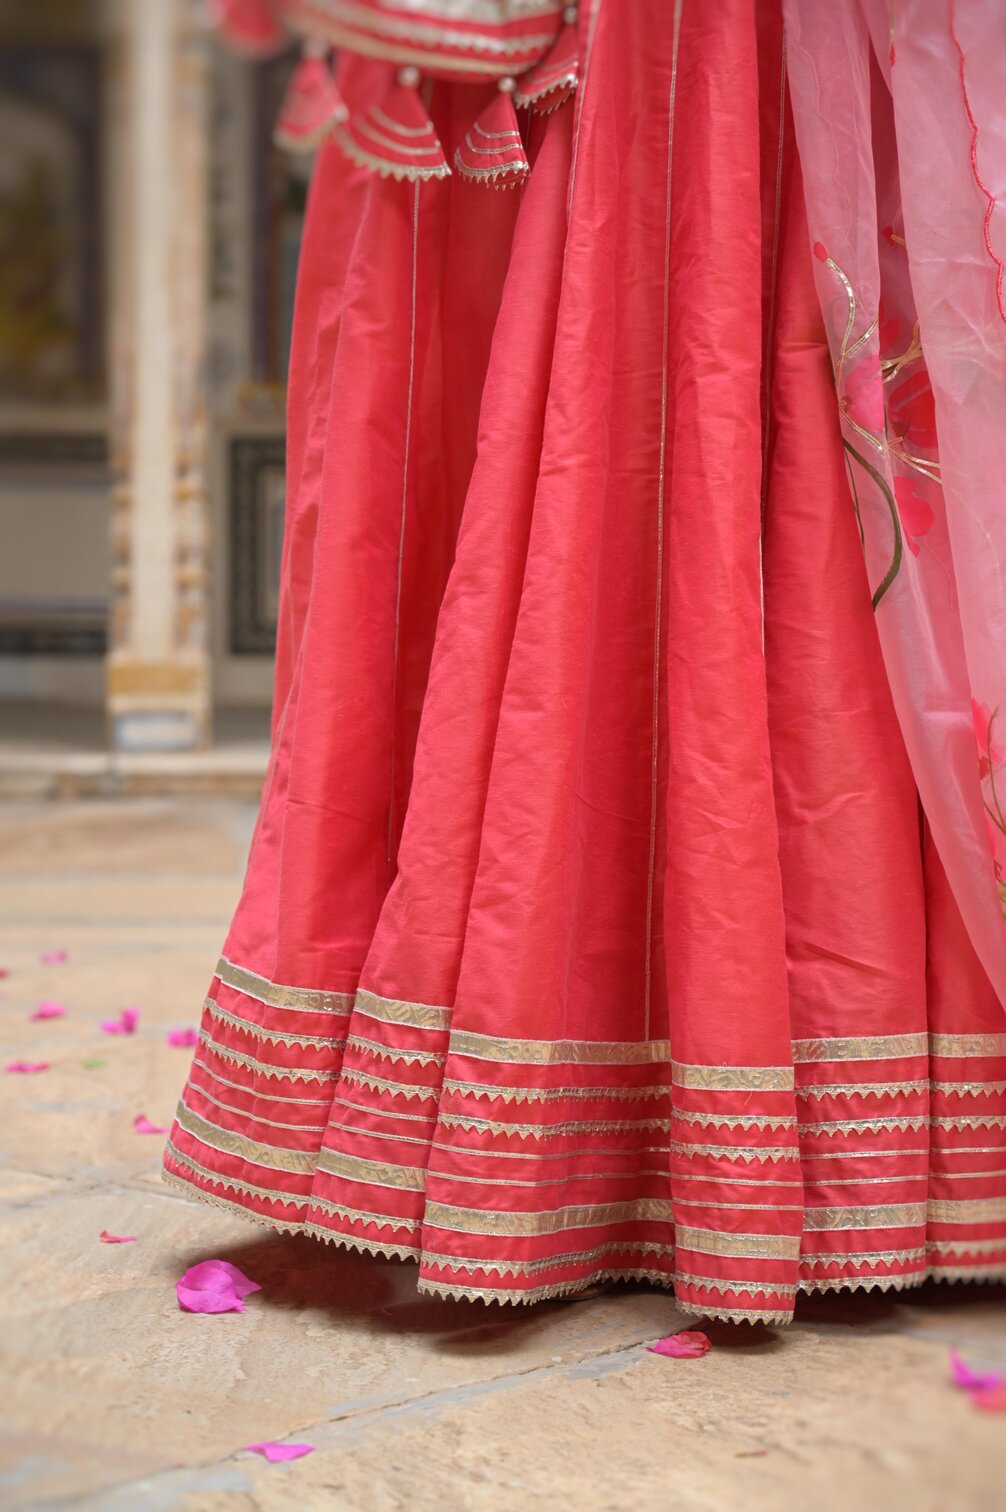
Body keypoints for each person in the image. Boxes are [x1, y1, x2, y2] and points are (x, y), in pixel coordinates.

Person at [165, 0, 1006, 1323]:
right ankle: (803, 1139)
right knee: (635, 446)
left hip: (748, 67)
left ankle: (746, 1135)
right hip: (651, 77)